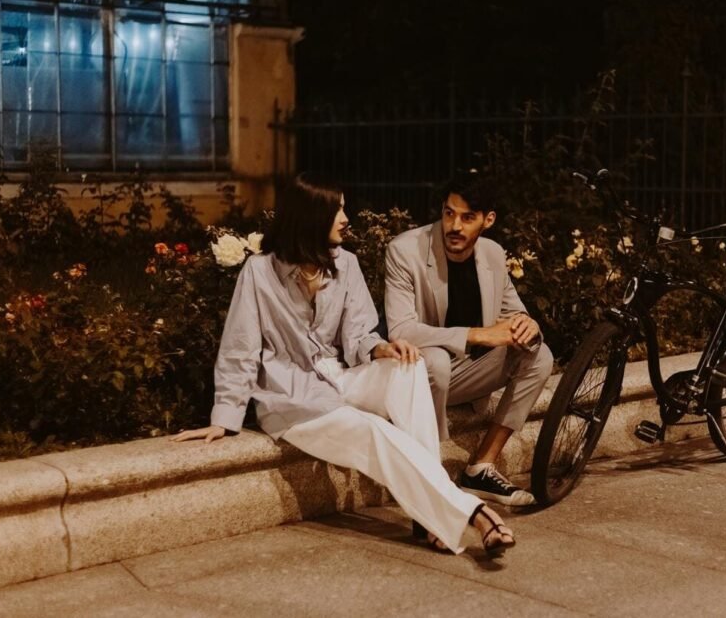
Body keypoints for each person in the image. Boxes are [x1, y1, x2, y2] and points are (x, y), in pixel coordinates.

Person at [172, 174, 515, 554]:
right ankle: (472, 512)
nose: (345, 218)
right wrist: (224, 416)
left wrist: (382, 348)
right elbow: (240, 348)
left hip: (337, 376)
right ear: (310, 216)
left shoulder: (345, 264)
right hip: (293, 399)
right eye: (337, 210)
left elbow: (359, 334)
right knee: (375, 430)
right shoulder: (259, 272)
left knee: (409, 366)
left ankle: (429, 514)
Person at [384, 178, 554, 507]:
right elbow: (401, 330)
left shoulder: (493, 254)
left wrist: (528, 324)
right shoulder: (405, 251)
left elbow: (515, 313)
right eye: (449, 213)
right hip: (419, 377)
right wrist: (475, 334)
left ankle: (480, 468)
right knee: (436, 361)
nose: (455, 226)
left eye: (467, 217)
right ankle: (428, 476)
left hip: (464, 376)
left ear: (487, 220)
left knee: (539, 355)